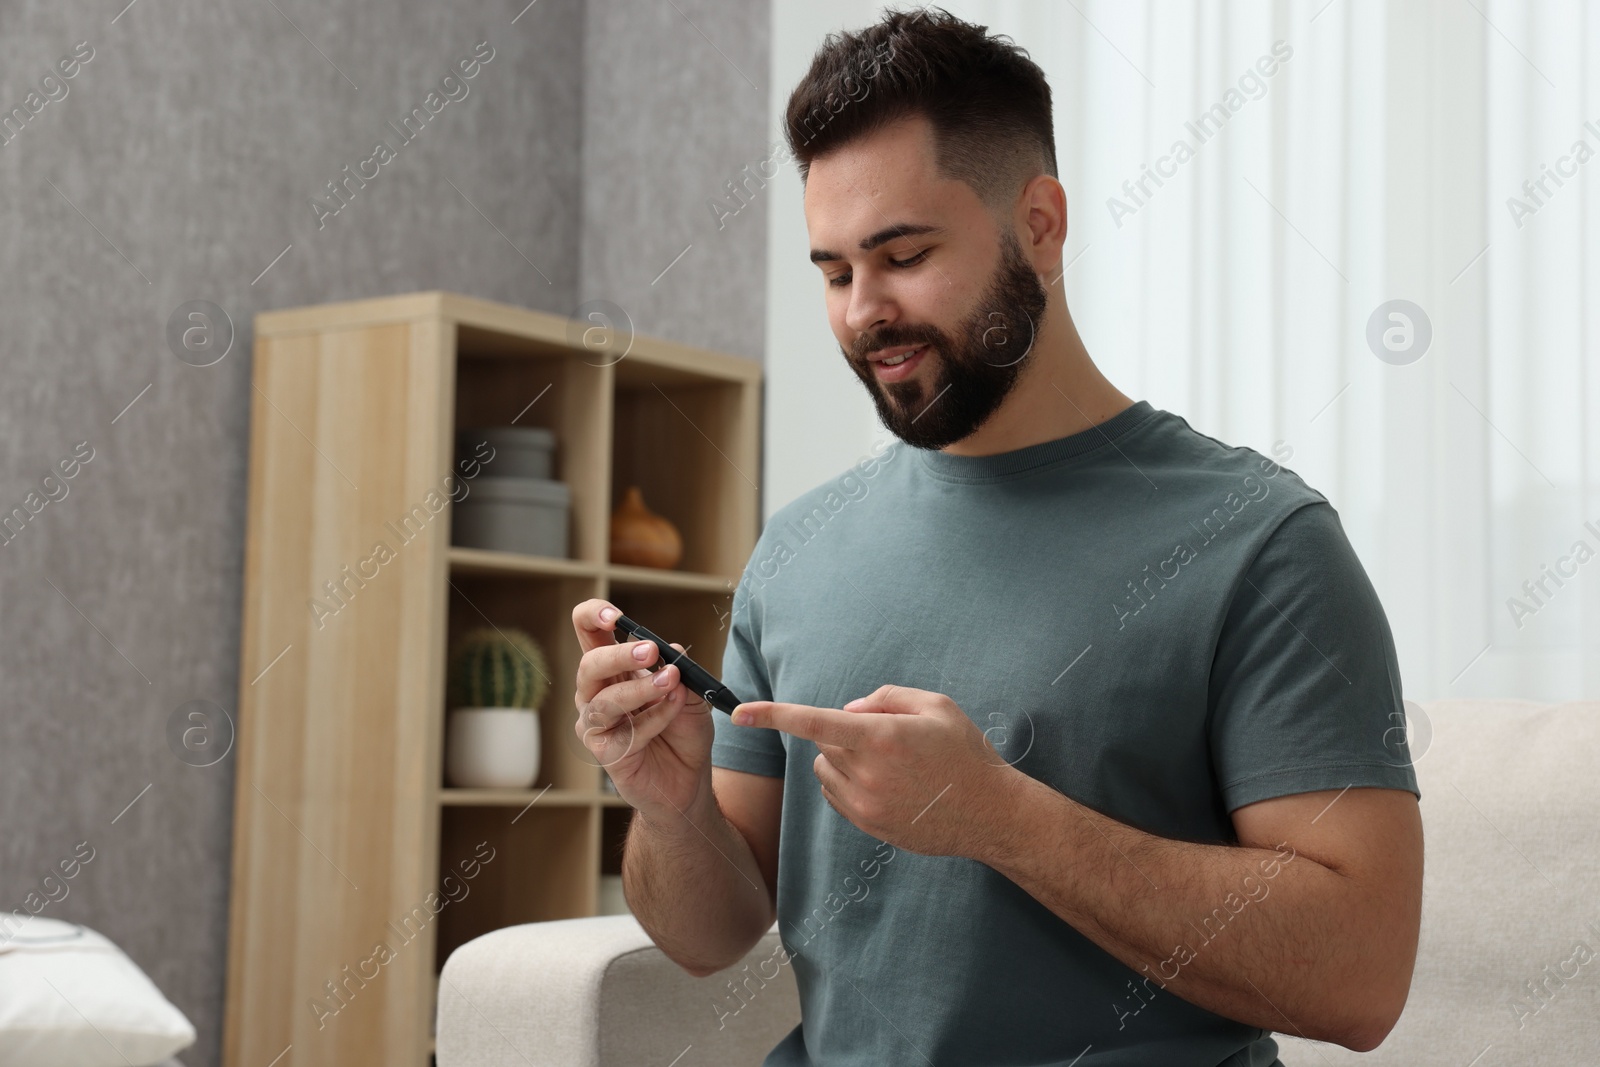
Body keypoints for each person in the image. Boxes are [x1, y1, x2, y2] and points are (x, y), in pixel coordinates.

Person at [572, 7, 1423, 1064]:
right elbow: (711, 934)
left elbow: (1360, 977)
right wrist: (669, 807)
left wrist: (996, 816)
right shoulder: (796, 550)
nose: (861, 313)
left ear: (1041, 223)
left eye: (903, 254)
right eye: (835, 273)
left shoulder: (1259, 543)